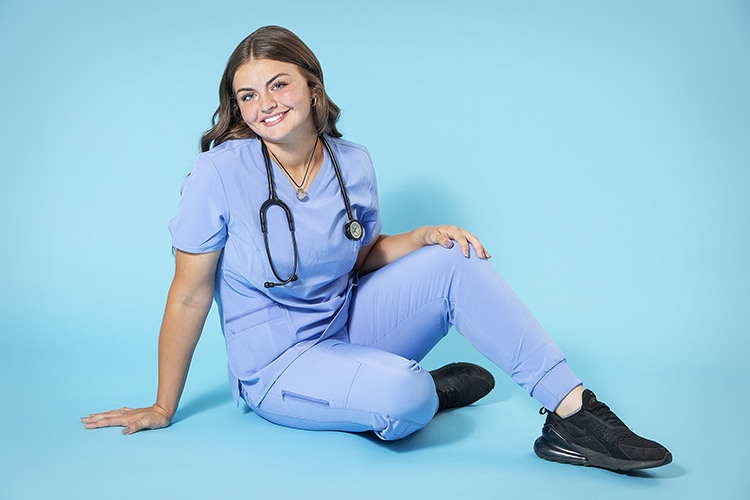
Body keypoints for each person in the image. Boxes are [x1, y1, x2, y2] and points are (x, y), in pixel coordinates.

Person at [82, 26, 672, 472]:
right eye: (247, 95)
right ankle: (420, 389)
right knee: (404, 395)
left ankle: (573, 414)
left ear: (312, 86)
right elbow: (190, 293)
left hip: (349, 326)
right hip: (278, 365)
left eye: (278, 84)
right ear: (237, 107)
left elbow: (357, 259)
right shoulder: (218, 173)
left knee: (453, 258)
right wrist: (162, 406)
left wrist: (421, 238)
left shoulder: (352, 162)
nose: (265, 104)